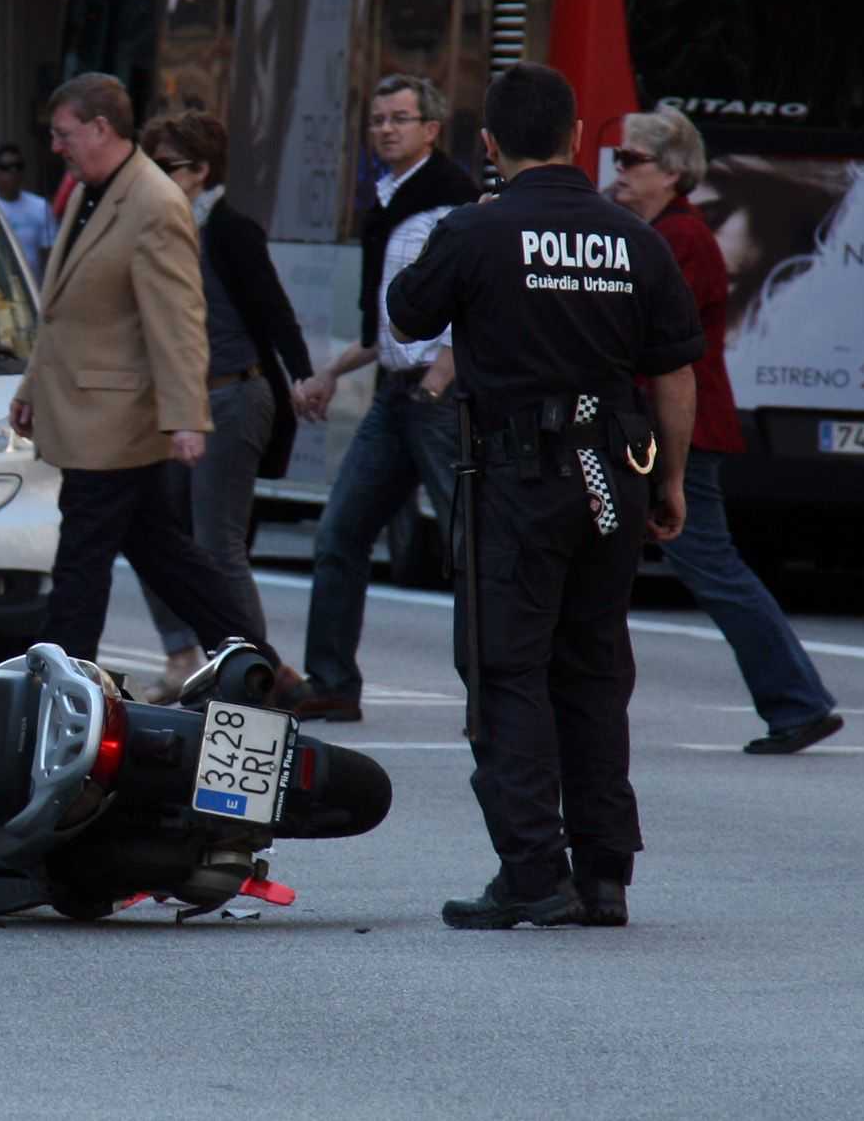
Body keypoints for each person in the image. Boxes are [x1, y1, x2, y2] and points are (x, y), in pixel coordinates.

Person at [386, 63, 703, 930]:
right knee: (594, 667)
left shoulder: (478, 230)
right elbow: (675, 371)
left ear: (489, 145)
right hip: (616, 475)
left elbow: (407, 316)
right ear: (575, 141)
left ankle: (533, 871)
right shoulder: (634, 238)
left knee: (504, 668)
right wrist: (670, 480)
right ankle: (605, 875)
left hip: (519, 479)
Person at [606, 106, 842, 754]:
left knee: (710, 565)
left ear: (675, 172)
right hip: (655, 425)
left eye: (632, 161)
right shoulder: (654, 231)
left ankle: (799, 700)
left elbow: (653, 342)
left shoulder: (683, 240)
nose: (618, 171)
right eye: (616, 160)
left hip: (683, 428)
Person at [10, 73, 236, 663]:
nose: (56, 147)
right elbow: (63, 310)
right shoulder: (91, 191)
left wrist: (186, 416)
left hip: (114, 419)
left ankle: (59, 678)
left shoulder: (154, 204)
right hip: (90, 411)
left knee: (81, 562)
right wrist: (33, 384)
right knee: (162, 553)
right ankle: (258, 657)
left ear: (100, 127)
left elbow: (179, 319)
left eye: (64, 135)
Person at [277, 75, 480, 721]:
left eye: (400, 118)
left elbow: (466, 308)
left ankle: (499, 691)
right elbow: (387, 326)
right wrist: (332, 371)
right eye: (378, 120)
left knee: (473, 547)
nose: (386, 129)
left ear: (431, 129)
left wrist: (437, 382)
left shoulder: (452, 202)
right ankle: (333, 683)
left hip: (437, 398)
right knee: (340, 535)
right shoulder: (387, 202)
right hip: (397, 395)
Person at [135, 110, 316, 701]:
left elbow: (273, 310)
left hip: (233, 395)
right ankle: (182, 656)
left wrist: (305, 375)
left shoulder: (230, 229)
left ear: (202, 171)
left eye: (168, 167)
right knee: (152, 532)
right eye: (150, 165)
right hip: (172, 404)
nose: (154, 176)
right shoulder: (158, 226)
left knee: (218, 543)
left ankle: (252, 677)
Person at [0, 143, 56, 282]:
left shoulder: (40, 207)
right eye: (5, 167)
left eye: (18, 166)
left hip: (32, 292)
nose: (13, 172)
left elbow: (50, 256)